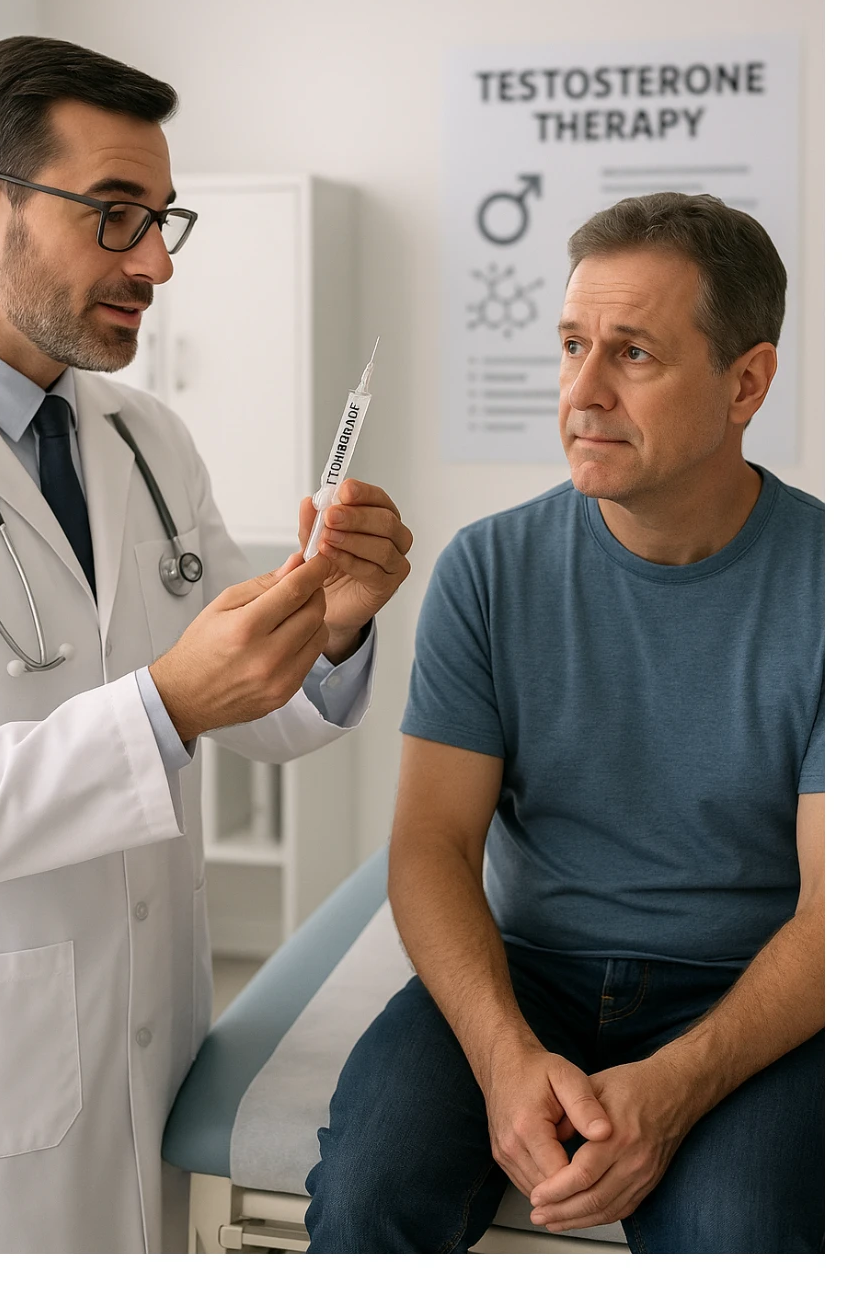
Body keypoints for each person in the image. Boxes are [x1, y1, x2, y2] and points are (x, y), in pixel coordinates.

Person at [0, 35, 413, 1254]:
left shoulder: (139, 436)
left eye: (164, 219)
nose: (159, 262)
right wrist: (162, 710)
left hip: (154, 1043)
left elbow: (250, 703)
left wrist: (328, 630)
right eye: (116, 216)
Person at [304, 192, 823, 1254]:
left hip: (744, 987)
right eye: (573, 345)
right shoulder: (489, 571)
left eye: (631, 353)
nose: (581, 392)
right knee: (364, 1198)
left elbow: (837, 913)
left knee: (741, 1233)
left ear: (747, 383)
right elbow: (432, 847)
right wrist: (502, 1060)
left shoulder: (835, 589)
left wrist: (675, 1088)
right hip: (523, 972)